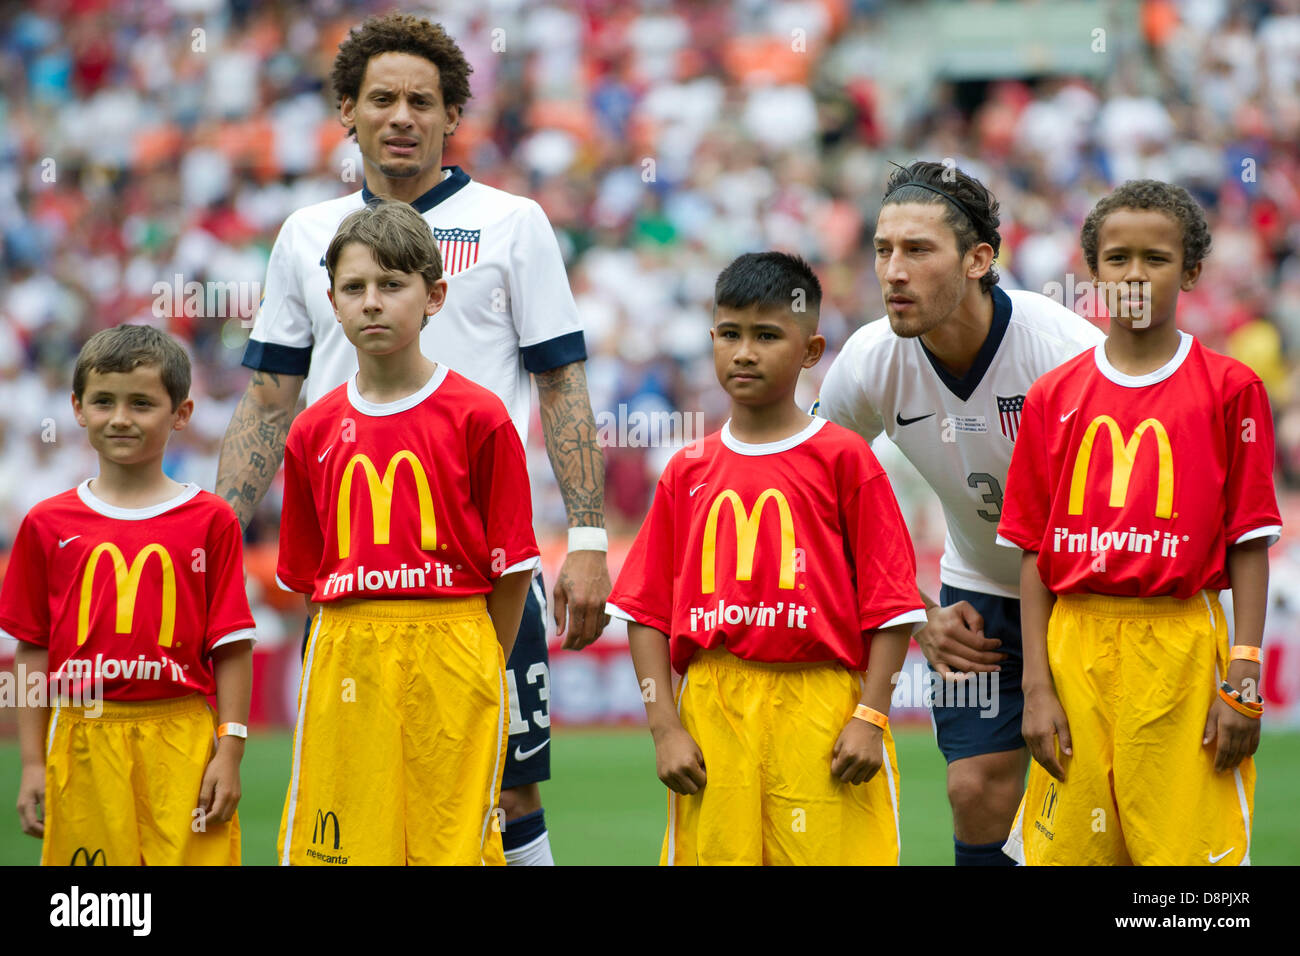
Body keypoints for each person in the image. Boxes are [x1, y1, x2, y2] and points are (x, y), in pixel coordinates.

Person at [217, 12, 609, 865]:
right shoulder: (303, 236)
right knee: (355, 788)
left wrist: (586, 537)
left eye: (422, 101)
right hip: (354, 566)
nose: (402, 116)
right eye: (382, 98)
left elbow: (562, 383)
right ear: (347, 113)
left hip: (483, 558)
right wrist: (211, 536)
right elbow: (268, 397)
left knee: (506, 781)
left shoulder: (515, 223)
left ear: (451, 117)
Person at [813, 160, 1105, 865]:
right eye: (883, 250)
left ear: (979, 260)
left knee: (1099, 803)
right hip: (977, 595)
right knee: (973, 788)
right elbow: (810, 493)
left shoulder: (1064, 357)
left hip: (1091, 597)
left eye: (918, 250)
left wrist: (1044, 675)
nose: (893, 271)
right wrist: (916, 614)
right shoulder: (869, 361)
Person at [606, 252, 927, 865]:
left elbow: (892, 607)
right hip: (712, 706)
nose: (745, 352)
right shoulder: (687, 469)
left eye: (767, 336)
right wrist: (664, 726)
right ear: (711, 340)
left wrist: (871, 716)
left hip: (821, 706)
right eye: (730, 334)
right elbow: (645, 612)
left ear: (810, 351)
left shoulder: (845, 459)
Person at [997, 180, 1280, 865]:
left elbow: (1248, 541)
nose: (1134, 273)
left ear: (1189, 271)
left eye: (1155, 258)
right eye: (1117, 257)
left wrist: (1243, 674)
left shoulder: (1230, 388)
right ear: (1093, 269)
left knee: (1185, 876)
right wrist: (1036, 687)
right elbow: (1033, 553)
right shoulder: (1054, 395)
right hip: (1076, 646)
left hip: (1181, 644)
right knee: (1075, 854)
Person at [276, 200, 539, 865]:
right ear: (331, 303)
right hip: (347, 650)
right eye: (354, 288)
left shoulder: (480, 416)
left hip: (456, 644)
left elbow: (512, 570)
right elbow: (311, 580)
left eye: (392, 285)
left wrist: (477, 656)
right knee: (340, 845)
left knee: (450, 846)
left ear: (434, 295)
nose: (372, 303)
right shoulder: (311, 430)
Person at [3, 325, 255, 865]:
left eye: (142, 403)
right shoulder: (46, 523)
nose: (120, 418)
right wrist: (30, 762)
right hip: (82, 735)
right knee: (95, 911)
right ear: (77, 408)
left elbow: (232, 645)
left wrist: (230, 747)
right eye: (104, 402)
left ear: (180, 413)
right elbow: (30, 650)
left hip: (182, 733)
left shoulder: (212, 520)